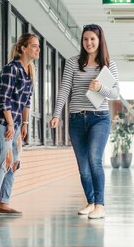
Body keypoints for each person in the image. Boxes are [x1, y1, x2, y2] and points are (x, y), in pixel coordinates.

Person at [49, 24, 119, 219]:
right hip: (77, 119)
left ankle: (100, 205)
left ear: (99, 41)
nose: (89, 43)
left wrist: (101, 88)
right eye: (85, 39)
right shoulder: (73, 63)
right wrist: (56, 114)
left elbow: (115, 93)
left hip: (99, 118)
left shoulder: (108, 64)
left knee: (94, 159)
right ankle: (90, 202)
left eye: (92, 39)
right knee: (83, 166)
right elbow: (64, 90)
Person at [0, 33, 40, 217]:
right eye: (34, 46)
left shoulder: (29, 71)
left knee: (15, 162)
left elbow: (27, 102)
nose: (37, 49)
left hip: (15, 123)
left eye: (38, 46)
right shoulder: (11, 69)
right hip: (2, 121)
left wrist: (24, 124)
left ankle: (4, 202)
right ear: (23, 48)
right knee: (4, 160)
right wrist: (10, 123)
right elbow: (4, 100)